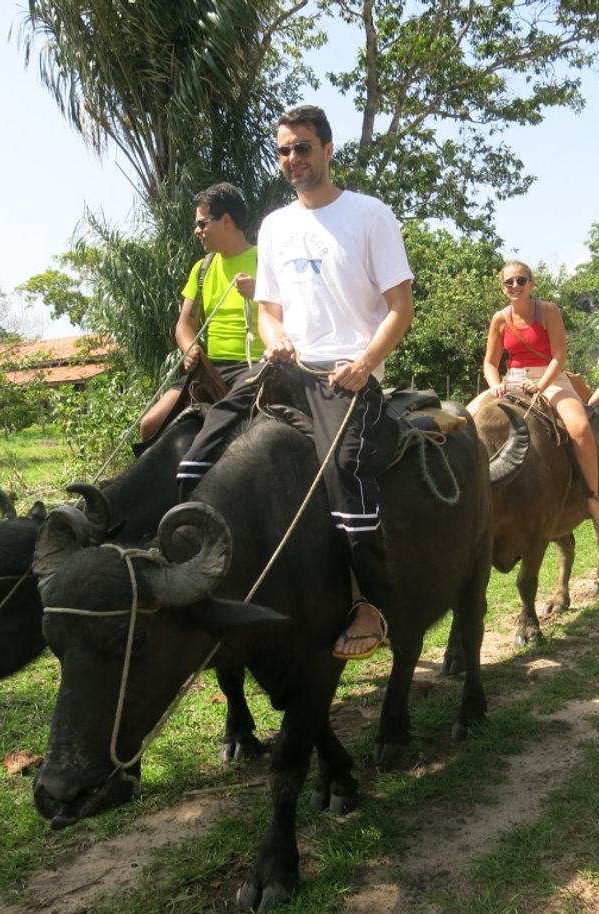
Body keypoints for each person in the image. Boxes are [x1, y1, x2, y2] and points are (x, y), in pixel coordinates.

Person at [175, 105, 413, 661]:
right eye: (283, 150)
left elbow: (401, 308)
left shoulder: (370, 215)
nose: (292, 160)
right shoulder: (275, 225)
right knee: (194, 452)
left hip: (343, 373)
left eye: (302, 147)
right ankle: (192, 569)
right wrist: (275, 335)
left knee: (341, 471)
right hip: (282, 368)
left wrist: (365, 362)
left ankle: (371, 603)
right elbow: (267, 309)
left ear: (328, 150)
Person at [467, 260, 599, 534]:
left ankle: (592, 499)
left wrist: (541, 384)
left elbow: (559, 356)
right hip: (512, 381)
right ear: (502, 288)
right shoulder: (500, 318)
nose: (515, 286)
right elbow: (490, 362)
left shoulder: (548, 311)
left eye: (521, 280)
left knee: (580, 427)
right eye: (509, 282)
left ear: (532, 284)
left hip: (550, 378)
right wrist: (496, 384)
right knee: (465, 421)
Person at [137, 183, 261, 445]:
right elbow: (185, 325)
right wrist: (189, 347)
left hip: (255, 367)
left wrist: (260, 291)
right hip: (210, 370)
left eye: (202, 224)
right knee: (149, 424)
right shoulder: (202, 269)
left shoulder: (266, 260)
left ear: (226, 220)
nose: (197, 231)